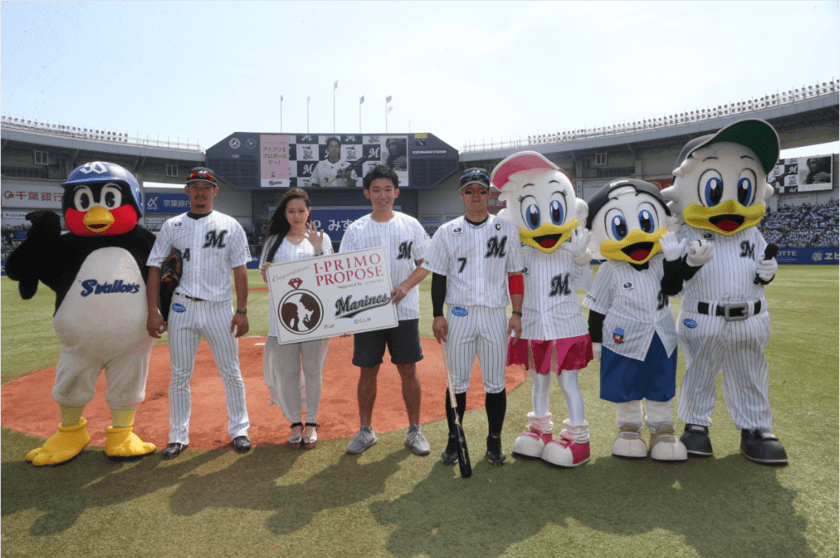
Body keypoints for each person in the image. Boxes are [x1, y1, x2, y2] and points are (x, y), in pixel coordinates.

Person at [394, 168, 524, 466]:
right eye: (469, 191)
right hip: (458, 313)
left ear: (489, 194)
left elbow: (515, 275)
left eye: (480, 191)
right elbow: (438, 277)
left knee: (495, 383)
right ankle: (455, 440)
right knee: (457, 384)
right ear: (461, 194)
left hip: (493, 313)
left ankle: (494, 440)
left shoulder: (506, 230)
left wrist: (516, 312)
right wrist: (438, 315)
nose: (475, 196)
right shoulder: (446, 231)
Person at [146, 167, 252, 460]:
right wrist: (154, 310)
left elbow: (240, 271)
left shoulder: (230, 225)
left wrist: (241, 310)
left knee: (231, 372)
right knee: (180, 375)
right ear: (187, 191)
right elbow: (154, 268)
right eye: (195, 186)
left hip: (219, 307)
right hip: (182, 306)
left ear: (215, 191)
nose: (201, 191)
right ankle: (178, 436)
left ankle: (239, 430)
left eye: (206, 187)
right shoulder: (172, 226)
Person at [340, 164, 431, 456]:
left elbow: (426, 262)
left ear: (396, 192)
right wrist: (345, 315)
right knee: (368, 371)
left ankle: (414, 430)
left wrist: (404, 286)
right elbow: (342, 274)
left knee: (408, 370)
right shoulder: (355, 230)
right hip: (368, 314)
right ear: (367, 193)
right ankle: (366, 430)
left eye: (388, 189)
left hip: (404, 312)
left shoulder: (411, 225)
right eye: (376, 190)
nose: (382, 195)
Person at [259, 188, 333, 449]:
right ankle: (294, 423)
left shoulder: (321, 239)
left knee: (313, 371)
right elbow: (267, 279)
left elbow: (329, 275)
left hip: (314, 318)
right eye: (291, 211)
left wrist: (317, 248)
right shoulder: (273, 241)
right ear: (284, 213)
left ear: (309, 211)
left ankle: (311, 422)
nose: (297, 215)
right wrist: (266, 272)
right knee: (288, 372)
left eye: (302, 210)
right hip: (283, 319)